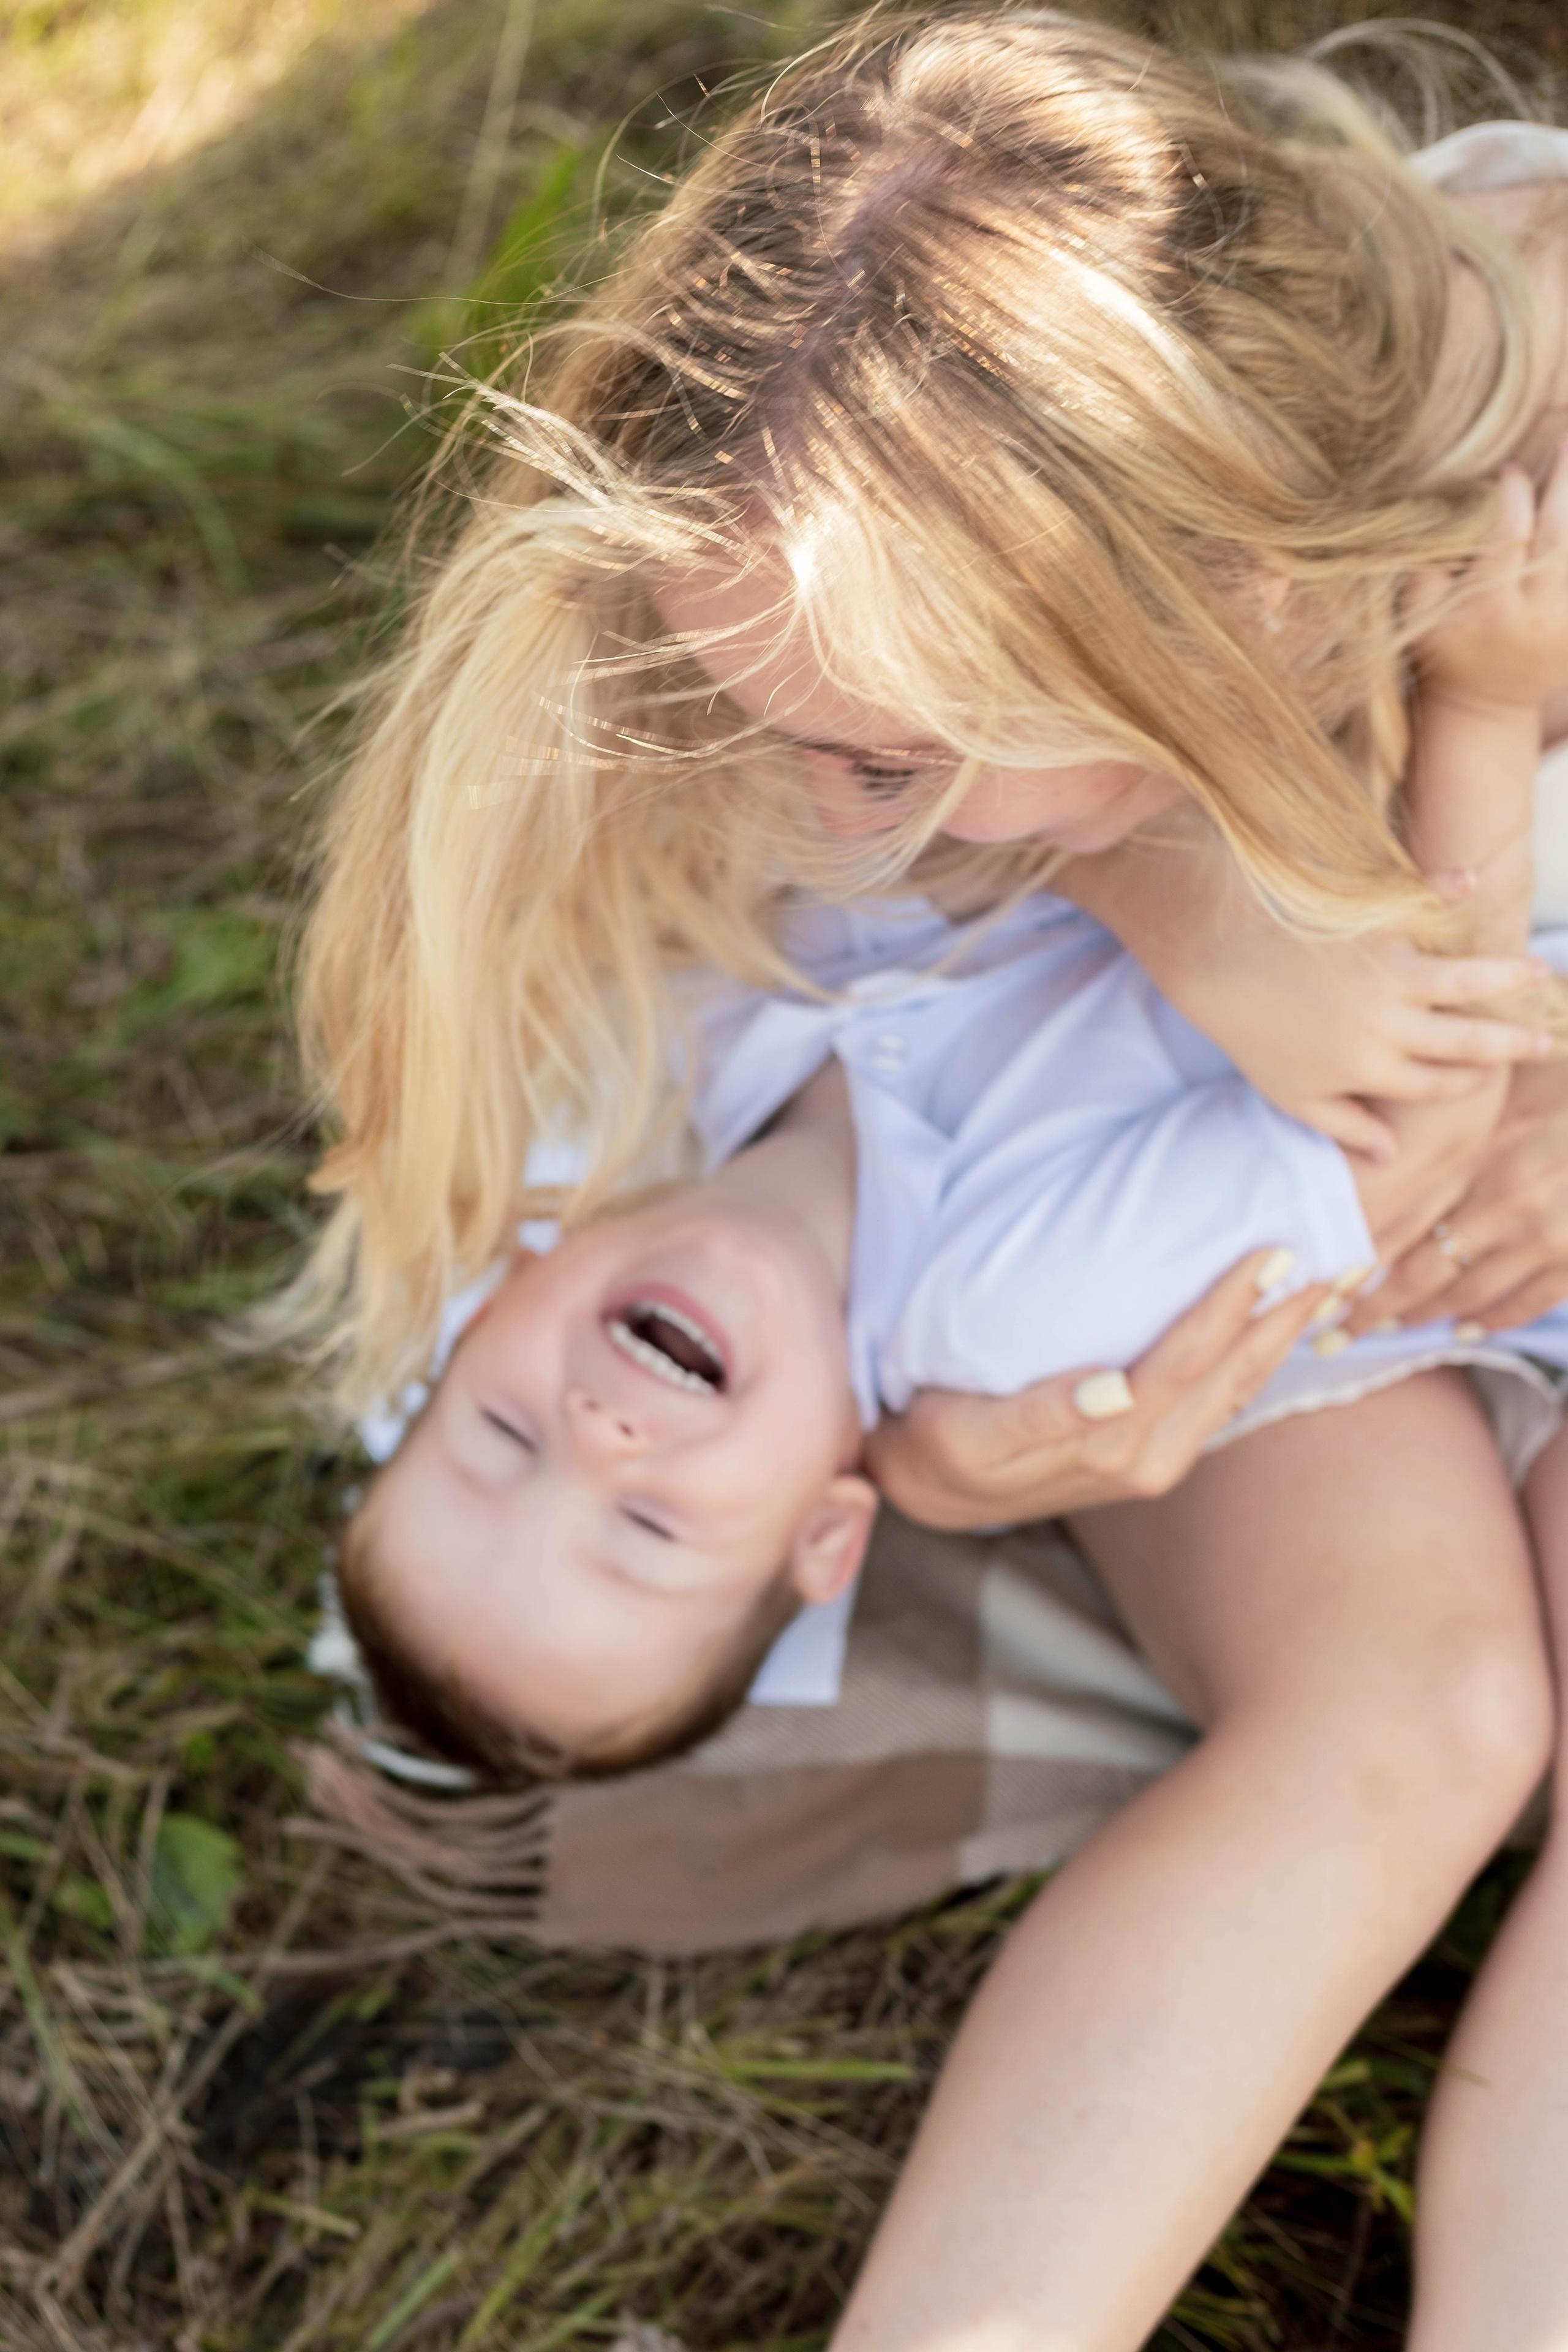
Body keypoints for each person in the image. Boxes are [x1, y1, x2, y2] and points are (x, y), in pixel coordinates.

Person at [282, 11, 1568, 2343]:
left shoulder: (1485, 456)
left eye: (881, 757)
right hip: (1418, 1127)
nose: (813, 800)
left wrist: (1266, 861)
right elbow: (1386, 1151)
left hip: (1439, 1031)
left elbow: (1402, 1107)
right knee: (1436, 1698)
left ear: (1230, 622)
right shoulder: (750, 689)